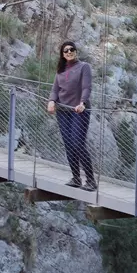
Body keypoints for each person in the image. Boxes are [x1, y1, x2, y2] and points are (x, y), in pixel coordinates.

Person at [47, 41, 96, 191]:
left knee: (78, 144)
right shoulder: (60, 70)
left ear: (76, 51)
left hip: (79, 111)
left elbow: (86, 87)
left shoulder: (83, 67)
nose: (69, 52)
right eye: (66, 50)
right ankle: (76, 178)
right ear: (62, 54)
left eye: (71, 49)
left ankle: (91, 181)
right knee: (69, 145)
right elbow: (55, 89)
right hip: (63, 111)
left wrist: (82, 102)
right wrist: (51, 101)